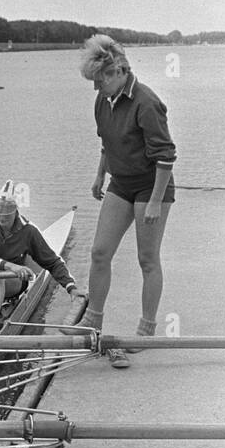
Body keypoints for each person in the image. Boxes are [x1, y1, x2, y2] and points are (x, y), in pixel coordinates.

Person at [77, 35, 177, 368]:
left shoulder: (146, 101)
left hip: (152, 186)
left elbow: (166, 156)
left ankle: (146, 330)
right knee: (99, 252)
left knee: (147, 259)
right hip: (121, 184)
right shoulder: (103, 101)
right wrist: (99, 176)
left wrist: (155, 202)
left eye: (100, 79)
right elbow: (107, 143)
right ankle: (93, 319)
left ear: (119, 70)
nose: (96, 88)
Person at [0, 180, 84, 329]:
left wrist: (71, 287)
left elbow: (52, 262)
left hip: (12, 283)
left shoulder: (29, 231)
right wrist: (10, 265)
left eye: (6, 215)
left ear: (15, 211)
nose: (1, 219)